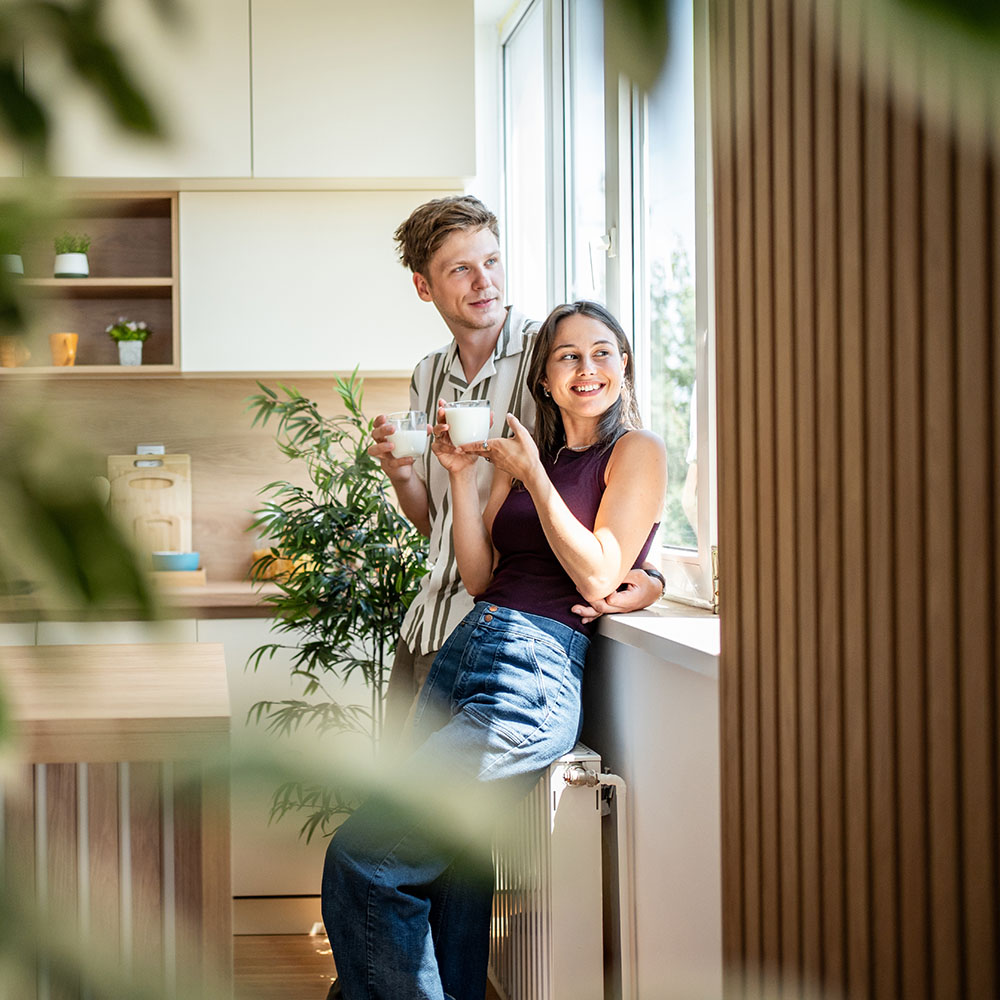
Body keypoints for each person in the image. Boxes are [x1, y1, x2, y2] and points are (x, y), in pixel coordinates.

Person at [322, 300, 667, 1000]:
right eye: (567, 355)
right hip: (466, 649)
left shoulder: (635, 452)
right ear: (544, 377)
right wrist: (455, 472)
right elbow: (479, 575)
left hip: (530, 669)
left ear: (624, 365)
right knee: (452, 868)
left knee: (366, 861)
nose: (587, 368)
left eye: (602, 351)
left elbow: (600, 572)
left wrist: (537, 479)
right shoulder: (525, 457)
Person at [368, 195, 665, 740]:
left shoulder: (553, 357)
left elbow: (600, 476)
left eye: (492, 261)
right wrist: (401, 473)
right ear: (423, 286)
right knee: (399, 806)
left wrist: (649, 573)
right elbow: (437, 525)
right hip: (427, 618)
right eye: (461, 269)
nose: (484, 281)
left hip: (506, 627)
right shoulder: (428, 373)